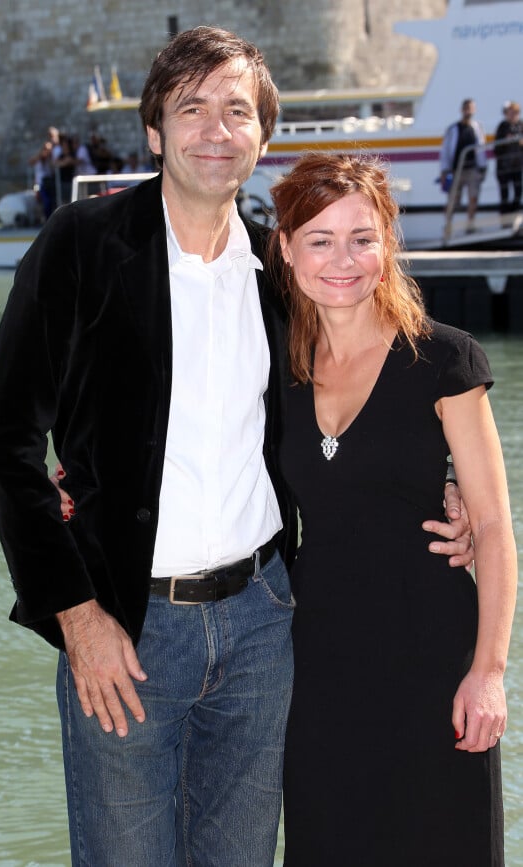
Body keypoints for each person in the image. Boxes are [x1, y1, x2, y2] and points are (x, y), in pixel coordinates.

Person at [0, 28, 472, 867]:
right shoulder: (83, 245)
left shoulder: (282, 276)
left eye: (236, 110)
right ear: (155, 131)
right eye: (192, 108)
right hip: (125, 628)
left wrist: (447, 480)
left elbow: (362, 385)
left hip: (262, 626)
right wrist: (77, 613)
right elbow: (7, 440)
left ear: (262, 135)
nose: (215, 128)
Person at [267, 152, 517, 866]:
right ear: (286, 249)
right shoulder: (276, 371)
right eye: (319, 239)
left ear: (388, 243)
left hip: (433, 659)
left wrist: (489, 671)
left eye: (362, 237)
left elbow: (495, 525)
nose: (342, 259)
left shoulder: (445, 360)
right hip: (316, 666)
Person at [440, 98, 487, 238]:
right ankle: (448, 226)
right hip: (456, 170)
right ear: (462, 110)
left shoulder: (477, 127)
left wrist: (483, 167)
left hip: (472, 169)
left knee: (473, 197)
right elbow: (445, 151)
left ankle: (470, 226)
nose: (469, 111)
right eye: (467, 108)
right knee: (453, 200)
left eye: (471, 108)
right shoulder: (453, 129)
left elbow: (481, 149)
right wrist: (444, 170)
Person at [494, 100, 523, 218]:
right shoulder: (502, 126)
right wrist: (506, 141)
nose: (514, 115)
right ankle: (504, 217)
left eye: (516, 112)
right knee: (504, 192)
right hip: (504, 166)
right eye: (511, 112)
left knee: (518, 190)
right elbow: (496, 147)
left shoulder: (521, 125)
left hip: (517, 165)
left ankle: (515, 214)